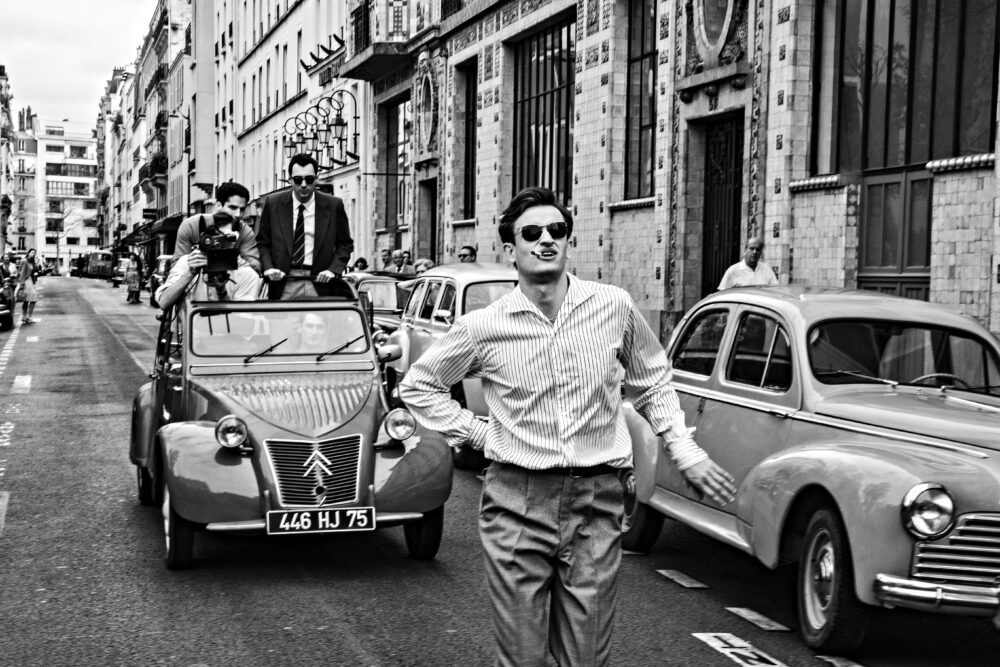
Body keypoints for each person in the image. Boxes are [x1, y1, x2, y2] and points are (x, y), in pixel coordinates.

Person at [399, 186, 736, 667]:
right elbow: (419, 386)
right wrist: (478, 433)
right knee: (522, 656)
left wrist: (686, 451)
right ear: (510, 248)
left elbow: (654, 381)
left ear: (567, 241)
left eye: (556, 230)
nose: (545, 240)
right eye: (531, 233)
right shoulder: (484, 325)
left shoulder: (613, 306)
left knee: (585, 658)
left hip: (597, 501)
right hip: (517, 499)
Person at [257, 153, 354, 299]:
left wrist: (333, 270)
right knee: (284, 322)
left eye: (309, 179)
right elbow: (263, 243)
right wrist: (269, 268)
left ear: (317, 178)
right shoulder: (273, 203)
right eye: (297, 180)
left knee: (318, 322)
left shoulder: (334, 205)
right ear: (290, 180)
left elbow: (345, 244)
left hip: (320, 283)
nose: (303, 185)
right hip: (283, 282)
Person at [156, 212, 262, 311]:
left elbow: (242, 319)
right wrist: (190, 273)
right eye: (212, 237)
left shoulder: (246, 273)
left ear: (234, 241)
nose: (217, 245)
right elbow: (164, 302)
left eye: (224, 239)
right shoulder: (188, 262)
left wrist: (221, 289)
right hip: (190, 329)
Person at [173, 182, 261, 274]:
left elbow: (256, 267)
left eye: (242, 209)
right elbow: (176, 267)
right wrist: (189, 262)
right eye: (233, 208)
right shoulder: (191, 226)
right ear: (218, 206)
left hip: (231, 284)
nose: (238, 214)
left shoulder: (245, 231)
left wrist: (236, 262)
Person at [16, 248, 41, 325]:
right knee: (28, 299)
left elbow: (34, 272)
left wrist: (36, 264)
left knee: (31, 299)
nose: (33, 254)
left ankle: (27, 316)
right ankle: (25, 317)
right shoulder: (24, 261)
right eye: (32, 252)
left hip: (30, 281)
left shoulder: (32, 262)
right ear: (28, 253)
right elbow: (21, 273)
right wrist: (22, 284)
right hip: (25, 281)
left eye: (34, 253)